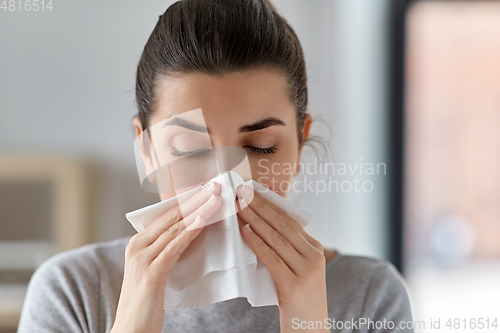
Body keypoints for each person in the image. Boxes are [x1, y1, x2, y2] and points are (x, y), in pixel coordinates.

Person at [17, 0, 414, 332]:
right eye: (190, 149)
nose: (227, 182)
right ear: (147, 150)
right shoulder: (75, 292)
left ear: (300, 143)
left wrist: (307, 321)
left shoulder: (368, 294)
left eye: (261, 147)